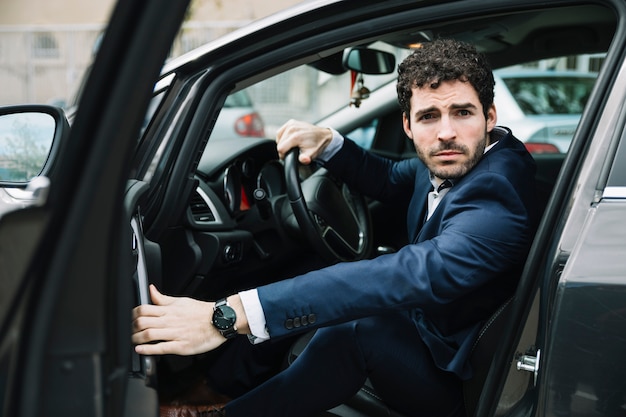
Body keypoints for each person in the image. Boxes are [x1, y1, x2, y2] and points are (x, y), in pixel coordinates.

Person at [132, 38, 539, 417]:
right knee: (309, 270)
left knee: (353, 328)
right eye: (429, 116)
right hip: (432, 325)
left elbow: (413, 272)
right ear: (408, 127)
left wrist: (226, 315)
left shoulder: (497, 194)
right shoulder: (453, 158)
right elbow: (391, 179)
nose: (446, 131)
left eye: (462, 112)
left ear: (489, 117)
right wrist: (328, 143)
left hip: (462, 373)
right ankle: (217, 387)